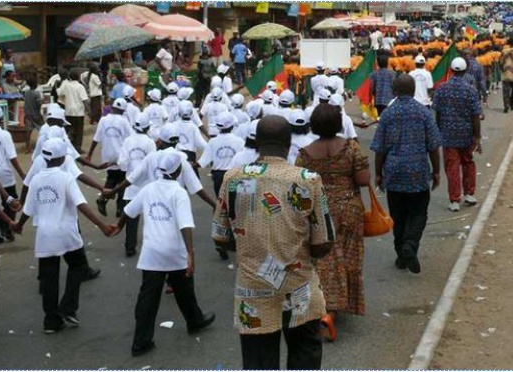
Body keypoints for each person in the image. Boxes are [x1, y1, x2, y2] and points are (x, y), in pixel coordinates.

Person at [212, 115, 335, 370]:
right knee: (305, 352)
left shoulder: (231, 178)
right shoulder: (308, 180)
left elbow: (220, 236)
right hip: (299, 285)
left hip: (253, 289)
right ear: (289, 142)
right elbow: (324, 241)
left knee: (259, 360)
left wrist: (250, 246)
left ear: (257, 142)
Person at [111, 151, 215, 357]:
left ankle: (141, 341)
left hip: (152, 252)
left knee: (148, 297)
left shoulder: (149, 189)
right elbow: (185, 225)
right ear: (178, 171)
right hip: (174, 251)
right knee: (184, 288)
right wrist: (190, 254)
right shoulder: (178, 192)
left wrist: (118, 225)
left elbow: (129, 210)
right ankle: (194, 321)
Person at [13, 138, 113, 334]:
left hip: (44, 234)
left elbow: (28, 210)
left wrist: (18, 225)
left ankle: (50, 321)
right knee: (79, 267)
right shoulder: (66, 178)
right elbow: (81, 205)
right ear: (61, 159)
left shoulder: (37, 180)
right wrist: (102, 225)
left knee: (49, 278)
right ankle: (67, 307)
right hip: (66, 232)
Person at [295, 104, 370, 341]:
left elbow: (299, 184)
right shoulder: (351, 148)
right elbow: (363, 179)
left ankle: (322, 306)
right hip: (348, 208)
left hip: (319, 210)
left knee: (323, 259)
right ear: (338, 124)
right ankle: (334, 309)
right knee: (346, 256)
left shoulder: (305, 153)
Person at [371, 74, 442, 274]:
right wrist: (436, 171)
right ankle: (410, 245)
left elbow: (379, 149)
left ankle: (402, 255)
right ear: (412, 91)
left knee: (398, 215)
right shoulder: (424, 113)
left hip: (394, 173)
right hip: (418, 172)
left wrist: (378, 174)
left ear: (394, 91)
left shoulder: (387, 114)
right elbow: (434, 146)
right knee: (419, 213)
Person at [433, 57, 482, 212]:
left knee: (452, 167)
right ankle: (469, 193)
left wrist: (439, 130)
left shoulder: (441, 89)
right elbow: (475, 116)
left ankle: (454, 200)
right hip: (467, 135)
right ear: (465, 70)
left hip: (448, 136)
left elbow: (438, 113)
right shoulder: (471, 90)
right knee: (468, 163)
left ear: (452, 71)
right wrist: (477, 136)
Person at [0, 105, 26, 243]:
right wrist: (21, 173)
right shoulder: (5, 134)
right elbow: (12, 156)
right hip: (4, 175)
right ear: (2, 119)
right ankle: (7, 228)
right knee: (11, 202)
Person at [117, 113, 157, 257]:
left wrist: (130, 170)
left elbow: (122, 163)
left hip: (131, 184)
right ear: (147, 128)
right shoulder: (149, 142)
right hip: (147, 184)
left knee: (131, 217)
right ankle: (153, 245)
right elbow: (153, 163)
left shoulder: (128, 141)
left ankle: (130, 246)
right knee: (151, 217)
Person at [87, 98, 133, 217]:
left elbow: (96, 138)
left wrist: (89, 154)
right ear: (123, 111)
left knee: (112, 179)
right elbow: (131, 137)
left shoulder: (103, 120)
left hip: (107, 155)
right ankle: (119, 207)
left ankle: (103, 198)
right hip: (121, 156)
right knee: (123, 181)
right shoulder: (123, 121)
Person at [57, 69, 90, 153]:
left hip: (68, 111)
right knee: (79, 131)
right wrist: (89, 111)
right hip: (79, 112)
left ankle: (69, 147)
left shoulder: (66, 85)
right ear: (78, 77)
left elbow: (59, 93)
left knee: (70, 130)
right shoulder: (80, 86)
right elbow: (85, 100)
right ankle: (78, 148)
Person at [23, 75, 44, 150]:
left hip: (28, 114)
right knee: (43, 129)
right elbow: (39, 103)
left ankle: (27, 147)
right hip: (36, 115)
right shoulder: (36, 94)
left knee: (28, 131)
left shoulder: (26, 93)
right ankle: (44, 144)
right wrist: (43, 100)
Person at [499, 37, 513, 113]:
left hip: (507, 73)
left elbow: (500, 62)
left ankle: (506, 106)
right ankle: (512, 103)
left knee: (505, 91)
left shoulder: (504, 51)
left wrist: (502, 70)